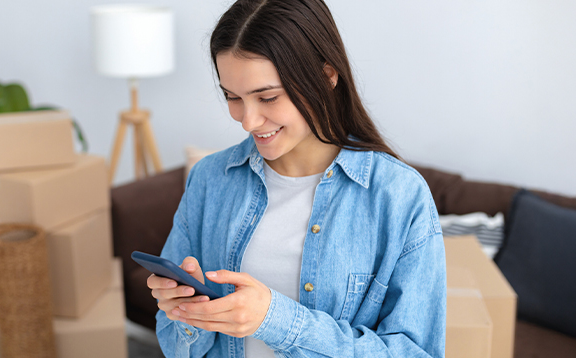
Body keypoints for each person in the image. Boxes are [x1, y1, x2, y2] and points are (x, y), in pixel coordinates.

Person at [147, 0, 446, 357]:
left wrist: (274, 319)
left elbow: (416, 352)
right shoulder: (210, 180)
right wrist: (182, 312)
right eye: (233, 97)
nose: (248, 121)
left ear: (327, 75)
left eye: (268, 97)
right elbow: (173, 342)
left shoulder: (398, 196)